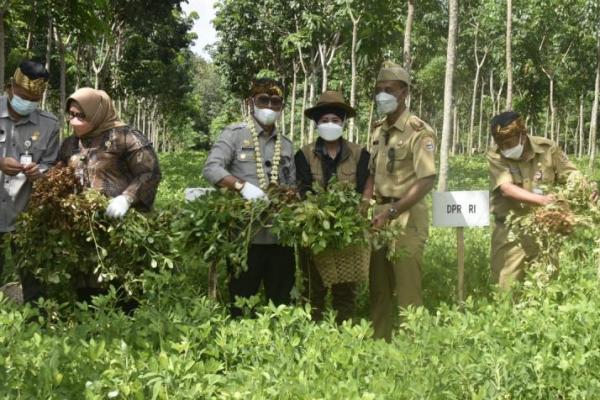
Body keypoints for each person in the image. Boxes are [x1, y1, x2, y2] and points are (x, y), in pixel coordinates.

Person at [203, 77, 296, 317]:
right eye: (263, 100)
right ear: (251, 102)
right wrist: (241, 186)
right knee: (242, 304)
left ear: (281, 107)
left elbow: (293, 184)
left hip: (280, 238)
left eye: (276, 102)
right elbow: (211, 168)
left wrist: (290, 196)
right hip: (244, 237)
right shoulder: (234, 134)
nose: (269, 107)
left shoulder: (286, 145)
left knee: (281, 304)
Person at [57, 87, 161, 301]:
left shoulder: (125, 137)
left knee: (121, 281)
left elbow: (150, 172)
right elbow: (60, 173)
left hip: (119, 224)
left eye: (80, 116)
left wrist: (127, 198)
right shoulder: (70, 144)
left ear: (96, 114)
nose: (74, 121)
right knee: (86, 281)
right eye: (71, 115)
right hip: (83, 226)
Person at [365, 61, 437, 341]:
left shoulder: (419, 131)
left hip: (406, 215)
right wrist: (366, 200)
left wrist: (393, 211)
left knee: (407, 285)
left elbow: (426, 180)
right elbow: (372, 171)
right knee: (379, 283)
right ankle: (380, 339)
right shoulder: (378, 130)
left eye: (389, 89)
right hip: (380, 213)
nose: (382, 95)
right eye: (379, 90)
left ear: (404, 93)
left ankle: (413, 343)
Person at [487, 111, 593, 290]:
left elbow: (570, 173)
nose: (505, 149)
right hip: (511, 229)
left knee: (546, 285)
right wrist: (541, 200)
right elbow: (506, 188)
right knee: (505, 286)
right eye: (501, 145)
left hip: (545, 226)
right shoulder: (496, 154)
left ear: (522, 134)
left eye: (509, 144)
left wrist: (587, 188)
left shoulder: (547, 148)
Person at [295, 90, 370, 324]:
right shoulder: (304, 154)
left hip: (347, 232)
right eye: (325, 120)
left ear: (343, 123)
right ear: (317, 123)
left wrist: (358, 212)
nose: (330, 124)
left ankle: (344, 330)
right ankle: (313, 328)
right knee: (313, 287)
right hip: (315, 232)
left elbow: (365, 188)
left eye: (335, 121)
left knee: (345, 289)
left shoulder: (359, 153)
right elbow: (304, 189)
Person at [0, 60, 59, 298]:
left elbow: (52, 165)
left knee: (33, 278)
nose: (27, 103)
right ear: (10, 87)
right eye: (23, 95)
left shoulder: (49, 125)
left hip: (24, 214)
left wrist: (40, 172)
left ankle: (36, 323)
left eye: (34, 100)